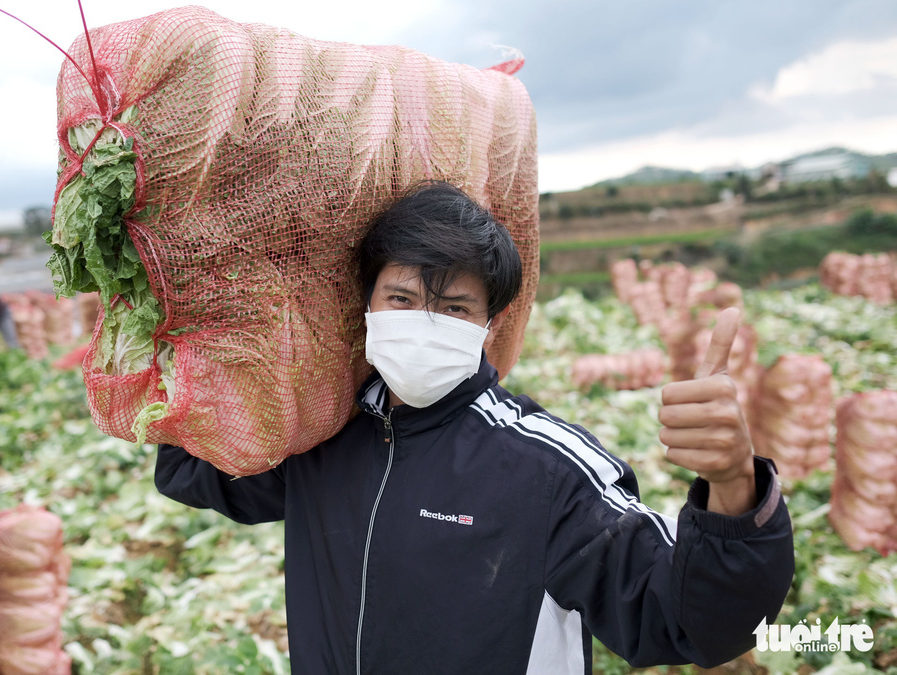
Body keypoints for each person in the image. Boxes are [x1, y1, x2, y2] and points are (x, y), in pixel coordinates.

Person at [155, 181, 794, 674]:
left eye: (454, 308)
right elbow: (194, 469)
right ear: (367, 305)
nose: (424, 321)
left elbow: (688, 622)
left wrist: (734, 487)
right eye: (402, 299)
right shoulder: (321, 442)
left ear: (486, 326)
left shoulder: (547, 471)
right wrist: (175, 330)